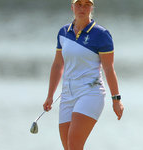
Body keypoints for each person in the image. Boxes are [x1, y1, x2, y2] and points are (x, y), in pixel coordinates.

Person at [43, 0, 124, 149]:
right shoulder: (63, 32)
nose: (83, 8)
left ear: (92, 7)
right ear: (72, 7)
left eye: (87, 4)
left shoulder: (101, 34)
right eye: (79, 4)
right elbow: (58, 64)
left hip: (91, 92)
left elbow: (108, 69)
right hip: (67, 94)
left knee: (74, 143)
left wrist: (116, 99)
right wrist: (50, 95)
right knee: (68, 146)